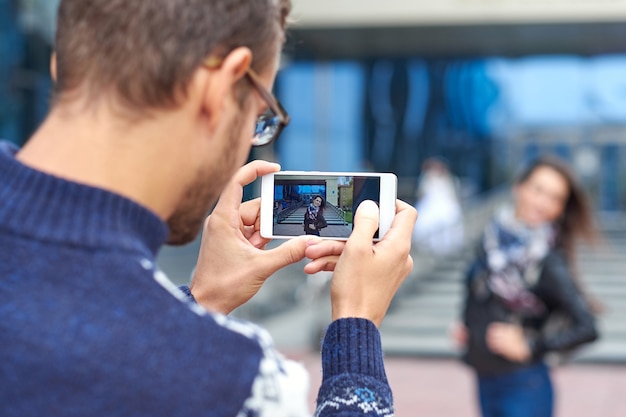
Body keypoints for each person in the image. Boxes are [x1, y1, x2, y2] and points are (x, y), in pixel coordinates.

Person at [0, 1, 418, 416]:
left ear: (64, 65)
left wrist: (203, 300)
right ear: (220, 88)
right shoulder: (233, 382)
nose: (250, 138)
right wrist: (356, 326)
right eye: (260, 118)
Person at [455, 156, 599, 417]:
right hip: (484, 378)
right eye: (538, 190)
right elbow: (477, 288)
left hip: (524, 383)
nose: (543, 203)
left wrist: (532, 345)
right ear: (518, 188)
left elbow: (587, 327)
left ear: (561, 209)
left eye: (555, 198)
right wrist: (466, 324)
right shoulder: (491, 240)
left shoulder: (548, 259)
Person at [412, 157, 464, 255]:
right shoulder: (427, 178)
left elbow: (452, 194)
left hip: (445, 205)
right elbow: (422, 193)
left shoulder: (450, 179)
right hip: (431, 205)